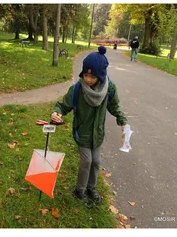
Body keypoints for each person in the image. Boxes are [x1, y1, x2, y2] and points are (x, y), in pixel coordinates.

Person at [50, 46, 127, 205]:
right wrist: (57, 112)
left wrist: (122, 119)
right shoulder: (78, 88)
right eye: (86, 75)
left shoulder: (109, 88)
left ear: (101, 76)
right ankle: (80, 190)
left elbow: (114, 106)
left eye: (92, 77)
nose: (88, 80)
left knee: (96, 162)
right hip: (82, 133)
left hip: (97, 134)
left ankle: (91, 188)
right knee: (86, 161)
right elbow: (64, 105)